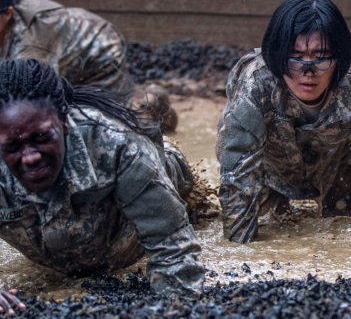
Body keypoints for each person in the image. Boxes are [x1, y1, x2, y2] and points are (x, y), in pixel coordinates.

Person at [215, 0, 351, 244]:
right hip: (267, 173)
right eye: (295, 57)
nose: (308, 72)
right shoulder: (255, 87)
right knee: (265, 230)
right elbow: (236, 173)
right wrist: (238, 248)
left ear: (339, 58)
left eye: (321, 57)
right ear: (277, 56)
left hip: (338, 168)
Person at [0, 58, 205, 315]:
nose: (30, 157)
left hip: (150, 184)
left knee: (186, 192)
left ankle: (156, 113)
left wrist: (173, 310)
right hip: (61, 253)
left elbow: (175, 253)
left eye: (41, 138)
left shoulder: (118, 145)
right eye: (12, 147)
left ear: (63, 123)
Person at [0, 0, 131, 96]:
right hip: (63, 52)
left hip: (99, 52)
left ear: (8, 13)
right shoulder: (7, 14)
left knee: (100, 119)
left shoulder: (32, 41)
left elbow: (31, 91)